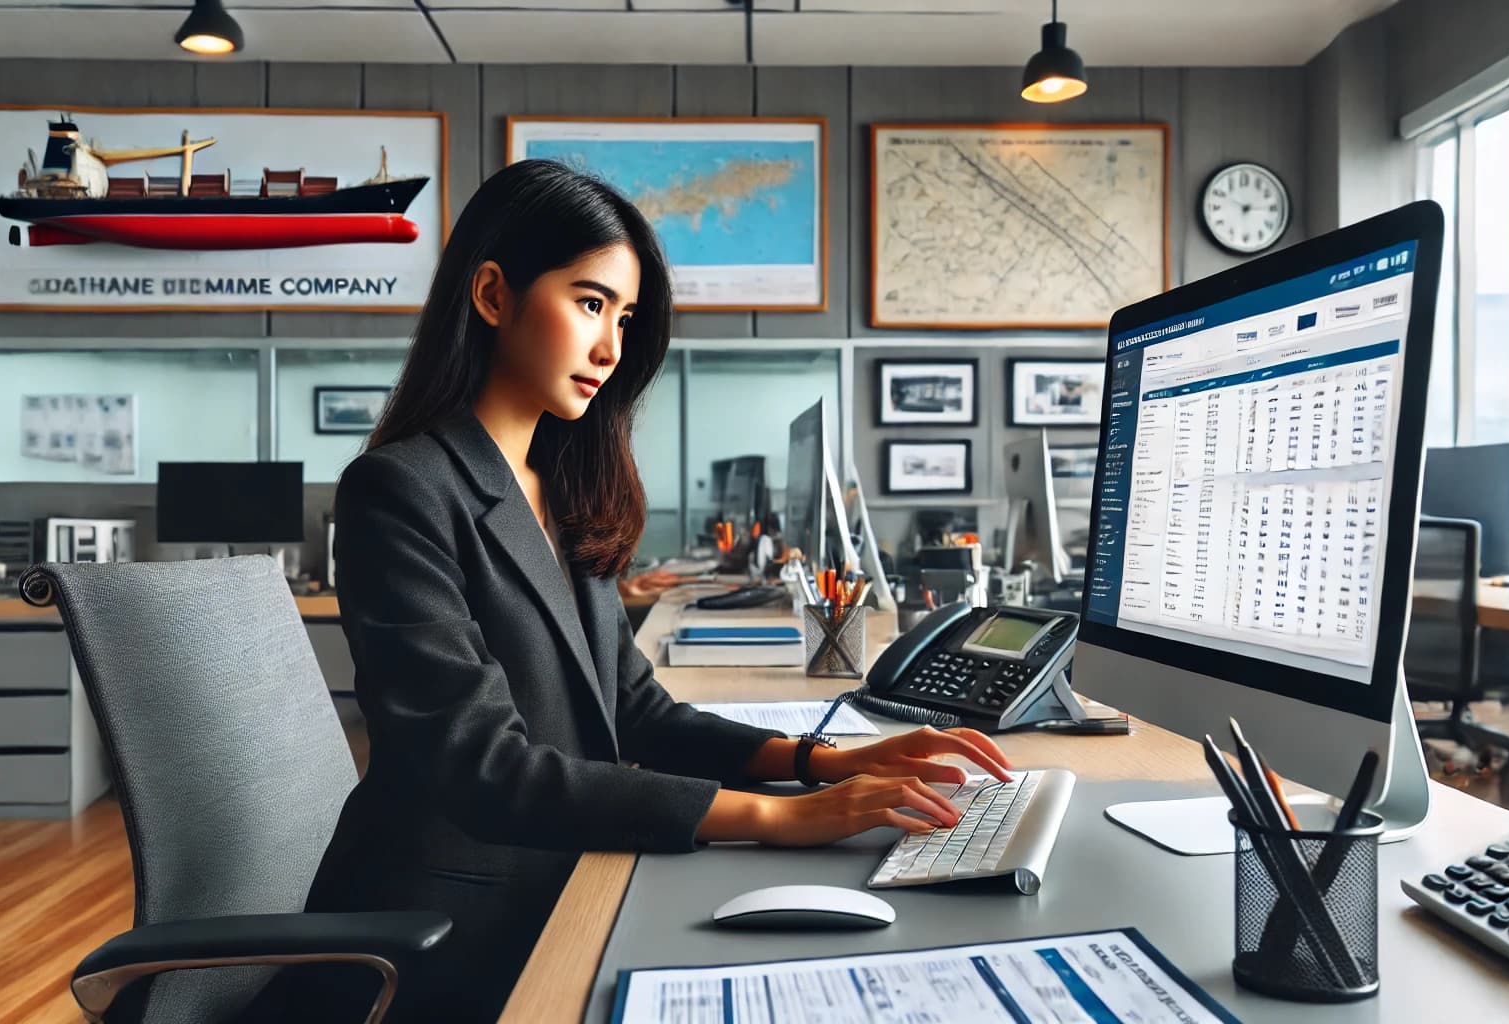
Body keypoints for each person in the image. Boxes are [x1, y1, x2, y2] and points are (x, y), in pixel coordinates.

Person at [300, 160, 1014, 1022]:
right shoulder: (401, 489)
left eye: (626, 318)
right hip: (441, 938)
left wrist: (823, 764)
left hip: (567, 874)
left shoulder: (555, 488)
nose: (612, 347)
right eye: (590, 303)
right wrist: (780, 820)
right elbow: (485, 771)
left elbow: (638, 714)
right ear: (493, 294)